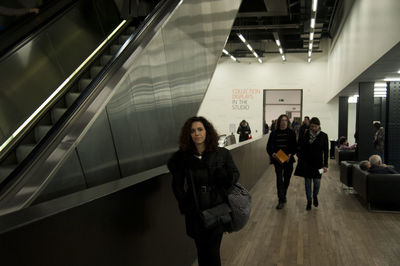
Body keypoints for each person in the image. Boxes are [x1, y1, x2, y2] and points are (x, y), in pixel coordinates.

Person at [167, 116, 239, 266]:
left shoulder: (221, 153)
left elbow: (235, 174)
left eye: (200, 129)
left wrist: (224, 179)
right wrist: (185, 203)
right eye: (192, 131)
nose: (197, 133)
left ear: (207, 131)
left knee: (213, 252)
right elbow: (177, 185)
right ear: (189, 134)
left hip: (216, 208)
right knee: (201, 252)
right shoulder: (182, 157)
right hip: (195, 212)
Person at [296, 117, 328, 211]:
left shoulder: (323, 136)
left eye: (315, 126)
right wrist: (300, 156)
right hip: (307, 163)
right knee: (307, 184)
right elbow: (301, 146)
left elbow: (326, 152)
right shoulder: (306, 134)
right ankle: (309, 201)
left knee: (317, 183)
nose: (313, 128)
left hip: (319, 164)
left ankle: (315, 196)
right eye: (312, 126)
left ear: (319, 126)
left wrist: (325, 165)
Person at [266, 114, 297, 209]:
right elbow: (269, 147)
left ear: (288, 122)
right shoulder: (273, 133)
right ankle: (281, 199)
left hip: (288, 160)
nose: (284, 122)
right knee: (279, 179)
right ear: (279, 122)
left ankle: (283, 195)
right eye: (282, 120)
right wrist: (273, 154)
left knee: (287, 179)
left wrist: (290, 154)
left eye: (286, 120)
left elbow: (295, 146)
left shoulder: (292, 133)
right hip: (277, 159)